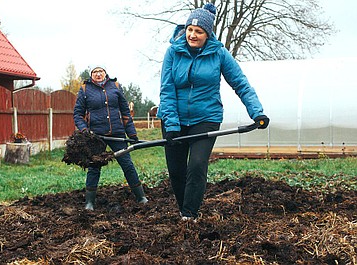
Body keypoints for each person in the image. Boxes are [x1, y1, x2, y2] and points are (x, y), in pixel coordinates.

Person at [157, 3, 269, 221]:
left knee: (197, 165)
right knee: (177, 172)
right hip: (175, 119)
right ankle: (184, 210)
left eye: (198, 32)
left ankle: (190, 215)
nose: (192, 35)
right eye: (190, 29)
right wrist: (171, 125)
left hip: (205, 118)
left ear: (208, 34)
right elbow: (167, 89)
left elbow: (240, 83)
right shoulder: (173, 52)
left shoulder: (219, 53)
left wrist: (257, 112)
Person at [73, 65, 148, 210]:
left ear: (105, 73)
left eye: (100, 71)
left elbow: (125, 111)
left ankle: (141, 197)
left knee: (127, 164)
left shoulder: (115, 86)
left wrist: (132, 133)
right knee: (94, 167)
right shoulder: (85, 89)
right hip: (96, 136)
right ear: (91, 76)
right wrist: (85, 131)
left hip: (117, 133)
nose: (98, 74)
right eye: (95, 72)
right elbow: (78, 114)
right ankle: (89, 202)